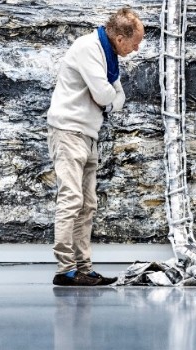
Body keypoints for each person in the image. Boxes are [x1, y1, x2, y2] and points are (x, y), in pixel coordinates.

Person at [47, 8, 144, 286]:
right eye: (136, 42)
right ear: (120, 37)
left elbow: (117, 98)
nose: (138, 48)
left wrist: (108, 98)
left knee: (87, 204)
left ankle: (83, 268)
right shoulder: (88, 48)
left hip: (88, 134)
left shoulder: (108, 56)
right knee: (71, 200)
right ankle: (65, 270)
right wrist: (108, 97)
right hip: (68, 131)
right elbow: (105, 95)